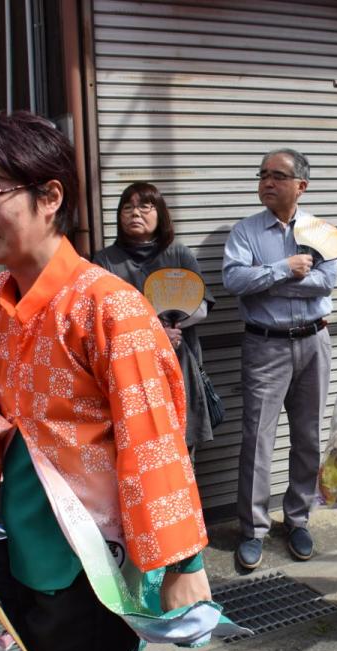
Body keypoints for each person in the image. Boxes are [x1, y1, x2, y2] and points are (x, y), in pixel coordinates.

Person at [0, 110, 211, 651]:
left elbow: (154, 442)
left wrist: (182, 564)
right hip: (24, 557)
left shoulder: (110, 308)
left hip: (95, 570)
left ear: (50, 196)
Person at [223, 148, 337, 569]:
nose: (267, 182)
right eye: (262, 175)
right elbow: (234, 279)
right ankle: (253, 529)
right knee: (257, 438)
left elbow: (325, 283)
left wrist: (268, 280)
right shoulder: (245, 231)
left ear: (301, 186)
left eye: (277, 176)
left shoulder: (321, 232)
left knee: (308, 435)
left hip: (314, 341)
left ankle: (298, 519)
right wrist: (284, 268)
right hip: (265, 345)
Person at [94, 181, 215, 454]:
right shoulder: (104, 261)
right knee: (139, 447)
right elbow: (100, 316)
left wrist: (167, 326)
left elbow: (201, 306)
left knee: (182, 449)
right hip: (130, 368)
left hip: (179, 364)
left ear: (160, 213)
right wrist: (156, 333)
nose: (135, 213)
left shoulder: (179, 254)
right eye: (128, 207)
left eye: (145, 206)